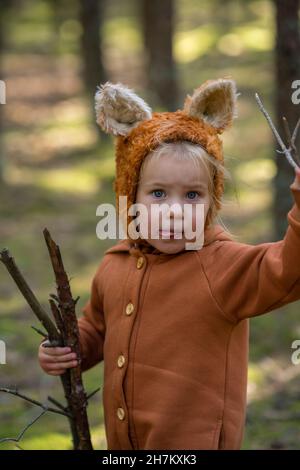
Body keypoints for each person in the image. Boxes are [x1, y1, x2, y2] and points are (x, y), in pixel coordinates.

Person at [38, 78, 300, 450]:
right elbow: (97, 329)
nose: (175, 210)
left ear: (212, 203)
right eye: (158, 193)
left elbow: (289, 268)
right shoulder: (115, 265)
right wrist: (65, 348)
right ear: (132, 197)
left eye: (192, 195)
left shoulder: (222, 266)